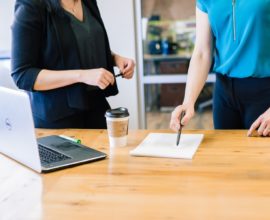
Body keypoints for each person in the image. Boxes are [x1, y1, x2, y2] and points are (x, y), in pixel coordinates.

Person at [11, 0, 135, 129]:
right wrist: (81, 75)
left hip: (96, 108)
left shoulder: (88, 2)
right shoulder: (31, 6)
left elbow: (80, 45)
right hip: (58, 118)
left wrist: (115, 59)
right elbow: (22, 75)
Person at [170, 0, 270, 137]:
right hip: (224, 93)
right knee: (226, 156)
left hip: (264, 91)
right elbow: (201, 52)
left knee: (260, 157)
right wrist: (188, 101)